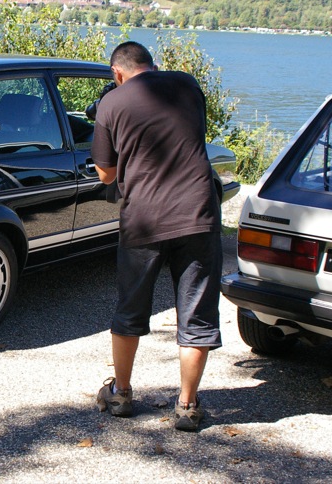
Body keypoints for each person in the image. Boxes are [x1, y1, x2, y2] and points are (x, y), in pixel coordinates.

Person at [90, 41, 222, 432]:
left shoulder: (112, 104)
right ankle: (187, 405)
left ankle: (121, 394)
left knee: (130, 309)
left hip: (144, 220)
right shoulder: (187, 86)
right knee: (196, 314)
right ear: (153, 64)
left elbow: (106, 175)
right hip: (197, 214)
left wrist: (108, 117)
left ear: (117, 73)